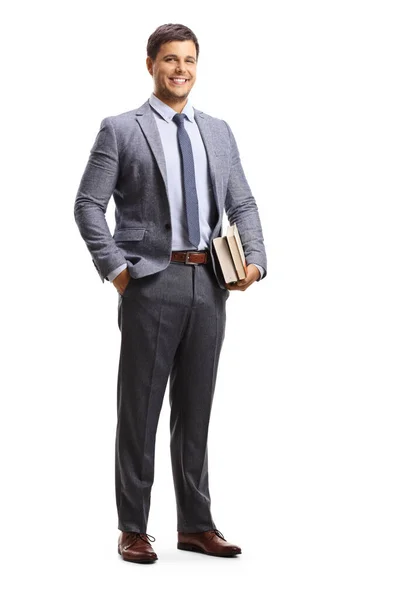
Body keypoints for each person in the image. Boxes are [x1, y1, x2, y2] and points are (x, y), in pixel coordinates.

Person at [74, 23, 267, 564]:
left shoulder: (219, 131)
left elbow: (243, 203)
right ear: (151, 65)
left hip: (209, 283)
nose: (179, 69)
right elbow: (88, 204)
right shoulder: (121, 129)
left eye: (188, 60)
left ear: (196, 65)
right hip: (150, 283)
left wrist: (253, 261)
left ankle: (196, 525)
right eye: (169, 60)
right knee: (139, 408)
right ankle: (132, 527)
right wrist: (117, 270)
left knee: (196, 407)